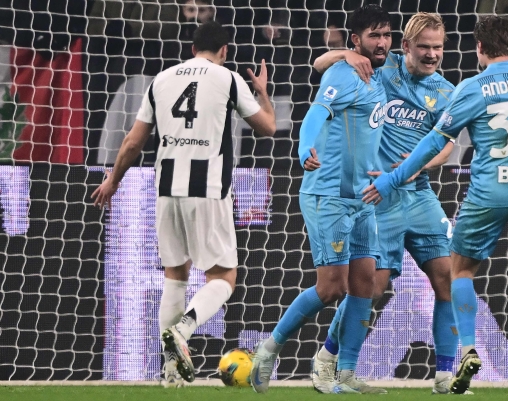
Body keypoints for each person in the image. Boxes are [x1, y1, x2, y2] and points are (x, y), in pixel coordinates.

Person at [362, 16, 508, 395]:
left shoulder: (472, 87)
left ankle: (467, 350)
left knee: (460, 273)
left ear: (479, 48)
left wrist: (392, 178)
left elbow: (433, 143)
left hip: (487, 196)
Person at [91, 21, 276, 387]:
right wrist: (263, 92)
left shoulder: (161, 80)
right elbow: (268, 126)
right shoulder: (227, 78)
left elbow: (132, 141)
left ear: (193, 49)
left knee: (175, 275)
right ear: (224, 50)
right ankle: (184, 329)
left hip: (166, 188)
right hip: (207, 187)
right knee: (224, 276)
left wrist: (113, 180)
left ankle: (170, 371)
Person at [310, 12, 460, 394]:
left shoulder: (446, 92)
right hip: (378, 196)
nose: (432, 55)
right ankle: (328, 359)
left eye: (438, 47)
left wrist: (416, 168)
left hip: (419, 193)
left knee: (447, 276)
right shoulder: (381, 66)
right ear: (406, 46)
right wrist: (346, 54)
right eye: (424, 46)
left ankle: (446, 376)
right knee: (371, 288)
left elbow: (446, 146)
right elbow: (319, 63)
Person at [248, 5, 390, 394]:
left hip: (363, 198)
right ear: (357, 39)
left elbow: (318, 59)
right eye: (374, 35)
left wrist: (342, 51)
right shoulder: (344, 74)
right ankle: (269, 349)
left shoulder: (380, 73)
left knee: (366, 284)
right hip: (328, 195)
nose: (383, 43)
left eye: (387, 35)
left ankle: (345, 374)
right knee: (332, 289)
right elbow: (314, 115)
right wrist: (303, 148)